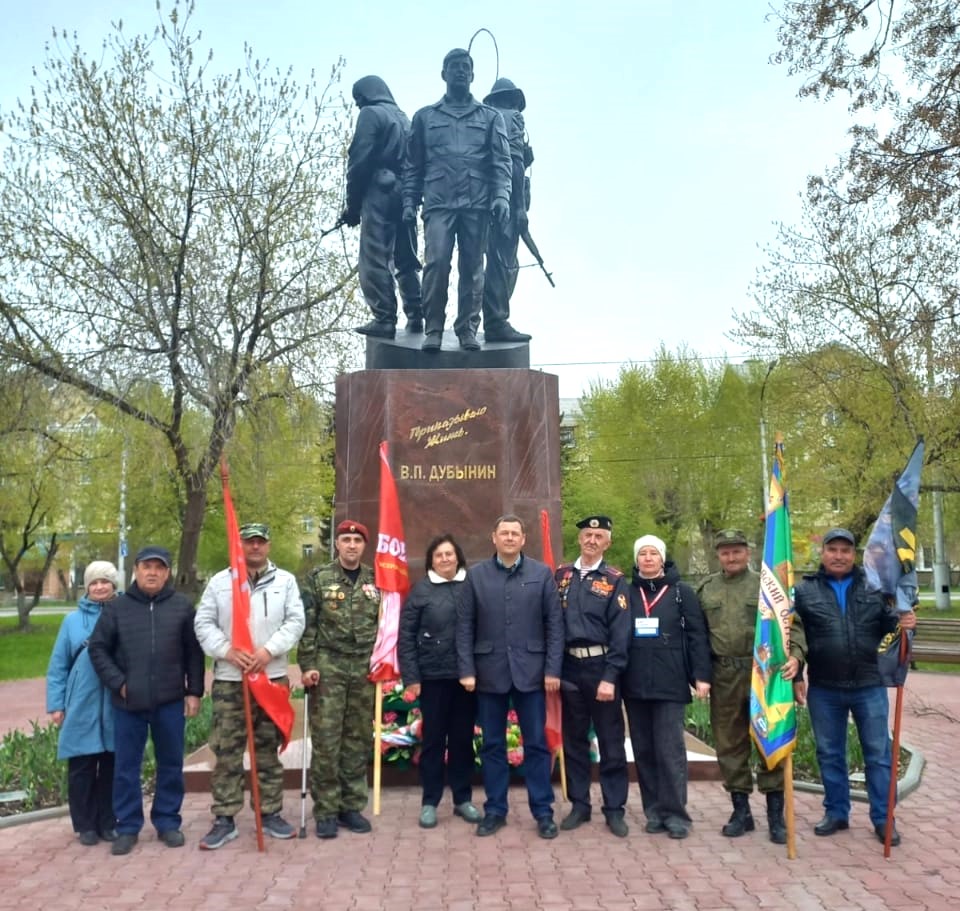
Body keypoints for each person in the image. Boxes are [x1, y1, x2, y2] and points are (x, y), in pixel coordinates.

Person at [794, 526, 917, 847]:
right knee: (829, 753)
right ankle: (836, 812)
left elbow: (893, 629)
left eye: (845, 550)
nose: (838, 556)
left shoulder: (875, 587)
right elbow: (794, 638)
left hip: (869, 685)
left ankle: (883, 818)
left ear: (854, 554)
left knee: (877, 755)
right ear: (822, 553)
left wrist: (904, 625)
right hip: (824, 687)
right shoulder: (804, 592)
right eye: (832, 550)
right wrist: (796, 677)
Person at [193, 522, 305, 849]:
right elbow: (204, 622)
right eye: (249, 542)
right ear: (239, 544)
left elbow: (295, 621)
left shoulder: (284, 582)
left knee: (266, 749)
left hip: (270, 678)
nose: (254, 547)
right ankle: (224, 817)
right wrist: (226, 650)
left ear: (268, 546)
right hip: (231, 680)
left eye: (260, 542)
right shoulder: (220, 582)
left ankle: (269, 813)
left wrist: (268, 651)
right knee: (227, 750)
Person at [88, 546, 205, 856]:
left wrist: (194, 692)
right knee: (126, 767)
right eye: (146, 566)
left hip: (169, 701)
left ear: (167, 573)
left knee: (170, 764)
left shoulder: (181, 607)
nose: (152, 572)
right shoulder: (117, 609)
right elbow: (98, 649)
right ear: (136, 571)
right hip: (129, 703)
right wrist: (119, 683)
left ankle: (167, 821)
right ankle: (127, 826)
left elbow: (194, 653)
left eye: (159, 567)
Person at [456, 514, 564, 839]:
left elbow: (554, 626)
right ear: (493, 537)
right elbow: (464, 628)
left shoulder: (541, 574)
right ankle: (495, 810)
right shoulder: (475, 577)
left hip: (532, 675)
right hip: (489, 675)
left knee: (536, 746)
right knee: (491, 746)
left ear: (523, 538)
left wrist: (552, 670)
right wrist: (466, 670)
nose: (509, 538)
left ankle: (543, 812)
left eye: (515, 533)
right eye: (504, 533)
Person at [697, 529, 805, 844]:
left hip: (765, 674)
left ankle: (776, 817)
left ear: (748, 552)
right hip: (724, 675)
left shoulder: (768, 586)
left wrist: (796, 658)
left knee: (768, 738)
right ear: (718, 555)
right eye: (725, 552)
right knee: (729, 744)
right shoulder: (706, 589)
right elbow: (698, 636)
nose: (731, 557)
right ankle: (741, 811)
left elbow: (792, 627)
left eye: (737, 551)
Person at [402, 48, 512, 352]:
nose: (461, 71)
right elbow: (413, 165)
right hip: (438, 202)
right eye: (454, 67)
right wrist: (409, 201)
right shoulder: (424, 117)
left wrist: (501, 196)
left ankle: (467, 329)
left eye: (466, 67)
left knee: (473, 267)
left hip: (477, 203)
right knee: (436, 264)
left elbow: (500, 163)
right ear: (444, 74)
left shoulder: (490, 118)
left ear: (473, 75)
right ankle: (433, 328)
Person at [622, 534, 711, 839]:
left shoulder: (681, 592)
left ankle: (676, 814)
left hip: (670, 682)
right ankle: (654, 811)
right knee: (644, 750)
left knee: (670, 750)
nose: (647, 558)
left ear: (662, 559)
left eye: (653, 553)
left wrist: (701, 676)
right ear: (636, 560)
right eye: (642, 554)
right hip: (634, 683)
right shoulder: (627, 591)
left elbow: (698, 635)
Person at [299, 520, 380, 838]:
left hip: (364, 668)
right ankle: (327, 810)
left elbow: (387, 622)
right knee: (327, 741)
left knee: (357, 741)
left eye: (356, 541)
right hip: (329, 668)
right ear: (336, 544)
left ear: (364, 546)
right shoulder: (319, 578)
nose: (351, 545)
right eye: (345, 539)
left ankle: (351, 806)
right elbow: (308, 625)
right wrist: (307, 664)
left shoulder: (377, 579)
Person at [554, 515, 631, 837]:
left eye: (599, 536)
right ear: (580, 539)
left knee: (611, 742)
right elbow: (551, 625)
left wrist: (610, 676)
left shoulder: (614, 580)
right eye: (588, 534)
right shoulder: (561, 576)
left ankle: (614, 809)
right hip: (569, 669)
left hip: (601, 669)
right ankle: (580, 805)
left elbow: (621, 632)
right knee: (574, 741)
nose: (592, 540)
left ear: (608, 542)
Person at [397, 533, 481, 829]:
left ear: (458, 556)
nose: (445, 559)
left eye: (449, 554)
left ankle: (463, 799)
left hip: (466, 679)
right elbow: (405, 637)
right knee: (433, 742)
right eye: (439, 555)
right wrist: (412, 677)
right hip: (431, 679)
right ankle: (429, 802)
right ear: (431, 560)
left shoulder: (472, 587)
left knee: (461, 740)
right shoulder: (420, 592)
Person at [46, 560, 120, 846]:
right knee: (81, 767)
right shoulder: (71, 621)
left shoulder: (124, 615)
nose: (100, 587)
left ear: (114, 585)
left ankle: (108, 822)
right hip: (81, 703)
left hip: (115, 703)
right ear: (87, 586)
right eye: (94, 582)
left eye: (105, 581)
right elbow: (58, 665)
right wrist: (56, 704)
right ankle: (85, 825)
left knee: (111, 766)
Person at [343, 75, 423, 339]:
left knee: (374, 255)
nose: (358, 105)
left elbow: (359, 161)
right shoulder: (405, 118)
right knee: (407, 258)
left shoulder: (370, 114)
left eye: (358, 98)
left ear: (367, 94)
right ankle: (417, 313)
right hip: (407, 193)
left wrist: (352, 206)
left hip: (380, 191)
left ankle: (384, 316)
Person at [478, 77, 532, 343]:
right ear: (512, 100)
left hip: (481, 202)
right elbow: (515, 164)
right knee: (504, 262)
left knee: (489, 262)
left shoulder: (485, 120)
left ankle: (482, 317)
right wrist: (520, 207)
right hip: (506, 202)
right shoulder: (512, 119)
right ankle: (496, 319)